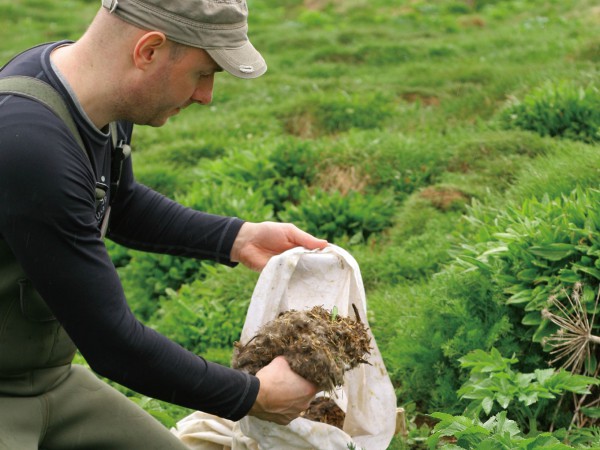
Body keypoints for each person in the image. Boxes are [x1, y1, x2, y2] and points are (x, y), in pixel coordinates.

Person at [0, 0, 328, 448]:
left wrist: (236, 237)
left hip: (48, 380)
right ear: (149, 50)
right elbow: (112, 343)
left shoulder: (92, 97)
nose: (206, 96)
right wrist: (254, 395)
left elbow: (120, 202)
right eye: (203, 72)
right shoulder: (28, 143)